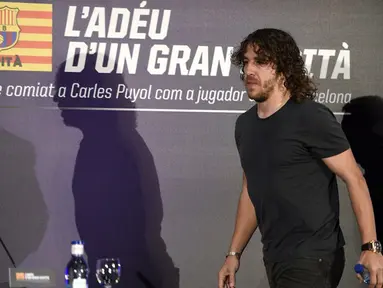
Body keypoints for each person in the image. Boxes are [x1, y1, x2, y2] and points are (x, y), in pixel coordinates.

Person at [218, 28, 383, 288]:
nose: (249, 70)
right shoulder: (245, 125)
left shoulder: (310, 117)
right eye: (246, 61)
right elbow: (251, 190)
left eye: (261, 62)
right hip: (275, 256)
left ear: (284, 69)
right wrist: (233, 254)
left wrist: (371, 247)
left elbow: (354, 179)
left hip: (314, 256)